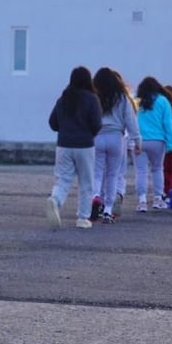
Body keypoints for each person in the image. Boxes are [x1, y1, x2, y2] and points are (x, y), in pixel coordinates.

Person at [46, 66, 102, 229]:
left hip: (64, 145)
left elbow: (52, 123)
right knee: (86, 182)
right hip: (85, 145)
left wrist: (65, 130)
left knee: (63, 179)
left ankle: (55, 200)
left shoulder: (63, 99)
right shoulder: (92, 99)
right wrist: (89, 133)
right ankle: (83, 218)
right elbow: (96, 124)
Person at [91, 68, 141, 224]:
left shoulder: (94, 98)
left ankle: (95, 197)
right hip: (116, 138)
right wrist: (137, 141)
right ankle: (107, 210)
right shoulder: (122, 99)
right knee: (113, 175)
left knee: (97, 173)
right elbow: (131, 121)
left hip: (97, 137)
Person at [134, 76, 172, 212]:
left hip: (139, 140)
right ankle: (158, 199)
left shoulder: (137, 101)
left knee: (141, 171)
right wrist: (170, 142)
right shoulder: (163, 101)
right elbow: (168, 123)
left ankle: (142, 201)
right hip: (158, 141)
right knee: (157, 169)